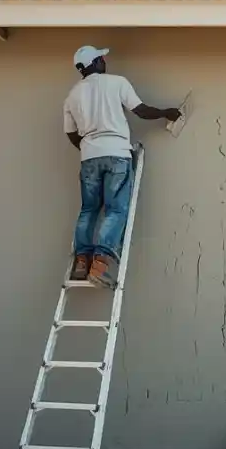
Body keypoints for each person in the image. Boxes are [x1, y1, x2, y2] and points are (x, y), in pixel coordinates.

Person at [63, 45, 181, 287]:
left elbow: (71, 133)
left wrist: (88, 148)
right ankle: (100, 264)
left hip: (89, 158)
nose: (104, 59)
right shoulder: (116, 83)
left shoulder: (72, 95)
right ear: (94, 63)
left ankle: (81, 262)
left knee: (89, 210)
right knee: (116, 210)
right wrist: (167, 112)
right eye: (100, 58)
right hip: (116, 153)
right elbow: (141, 111)